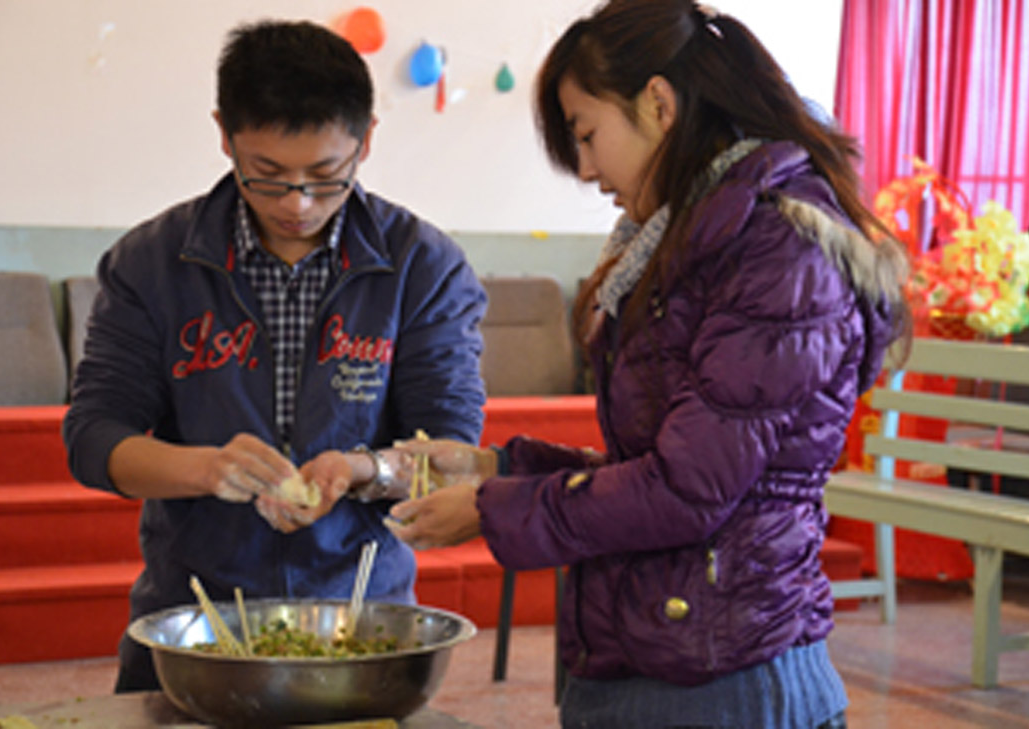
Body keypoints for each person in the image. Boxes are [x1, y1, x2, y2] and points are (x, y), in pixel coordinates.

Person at [386, 2, 910, 727]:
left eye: (587, 133)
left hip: (726, 674)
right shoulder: (684, 241)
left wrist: (489, 507)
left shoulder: (778, 251)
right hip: (659, 646)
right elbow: (657, 462)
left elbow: (688, 489)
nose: (586, 166)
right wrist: (494, 470)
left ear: (659, 104)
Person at [62, 20, 487, 692]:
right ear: (225, 136)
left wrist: (361, 468)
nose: (299, 203)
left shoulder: (421, 267)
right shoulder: (152, 263)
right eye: (266, 176)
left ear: (367, 138)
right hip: (191, 624)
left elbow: (454, 448)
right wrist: (206, 468)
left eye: (326, 175)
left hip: (358, 626)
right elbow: (93, 439)